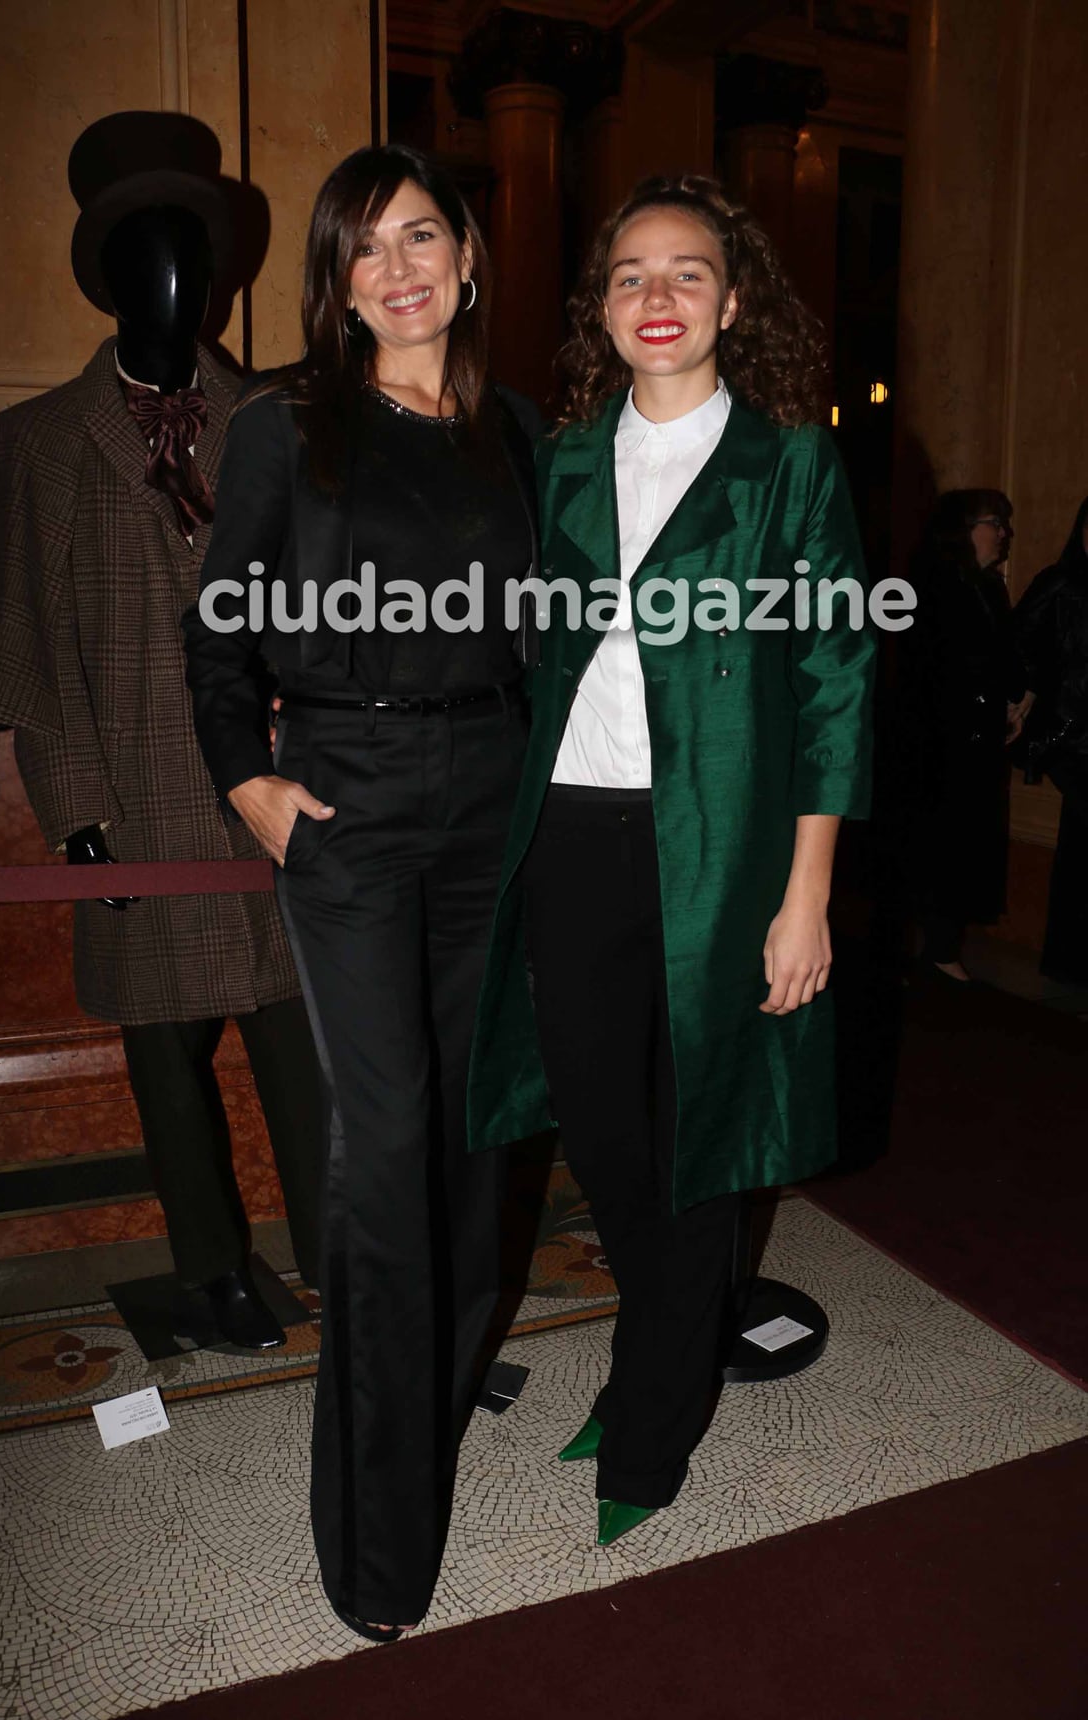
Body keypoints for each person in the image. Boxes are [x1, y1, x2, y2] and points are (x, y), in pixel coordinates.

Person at [467, 174, 875, 1545]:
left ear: (731, 300)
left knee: (699, 1135)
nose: (655, 296)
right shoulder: (561, 455)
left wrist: (803, 891)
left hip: (722, 849)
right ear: (598, 306)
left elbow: (830, 675)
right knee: (600, 1126)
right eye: (629, 274)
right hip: (571, 834)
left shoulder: (789, 464)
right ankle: (669, 1351)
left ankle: (649, 1419)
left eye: (685, 272)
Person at [181, 144, 540, 1640]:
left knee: (480, 1154)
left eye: (419, 237)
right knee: (383, 1165)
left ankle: (428, 1416)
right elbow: (216, 643)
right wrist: (245, 781)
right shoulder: (285, 426)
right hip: (350, 807)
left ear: (465, 255)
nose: (395, 270)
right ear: (334, 285)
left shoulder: (518, 431)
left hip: (496, 807)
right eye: (360, 251)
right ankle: (379, 1545)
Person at [0, 111, 320, 1349]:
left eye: (190, 257)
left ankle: (339, 1257)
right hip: (142, 808)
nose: (174, 283)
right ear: (108, 278)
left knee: (304, 1052)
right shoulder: (39, 443)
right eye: (145, 257)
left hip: (269, 799)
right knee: (168, 1067)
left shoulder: (279, 418)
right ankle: (208, 1268)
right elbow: (32, 663)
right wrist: (79, 817)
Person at [899, 490, 1027, 981]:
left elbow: (1001, 658)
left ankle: (942, 942)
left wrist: (1013, 700)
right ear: (963, 530)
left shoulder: (988, 587)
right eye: (993, 522)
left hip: (976, 743)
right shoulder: (930, 585)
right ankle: (938, 945)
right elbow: (930, 668)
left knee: (966, 842)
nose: (1003, 532)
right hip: (938, 744)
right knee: (942, 842)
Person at [1013, 496, 1088, 982]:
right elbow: (1018, 644)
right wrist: (1028, 693)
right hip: (1074, 739)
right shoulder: (1061, 583)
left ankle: (1069, 962)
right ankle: (1069, 961)